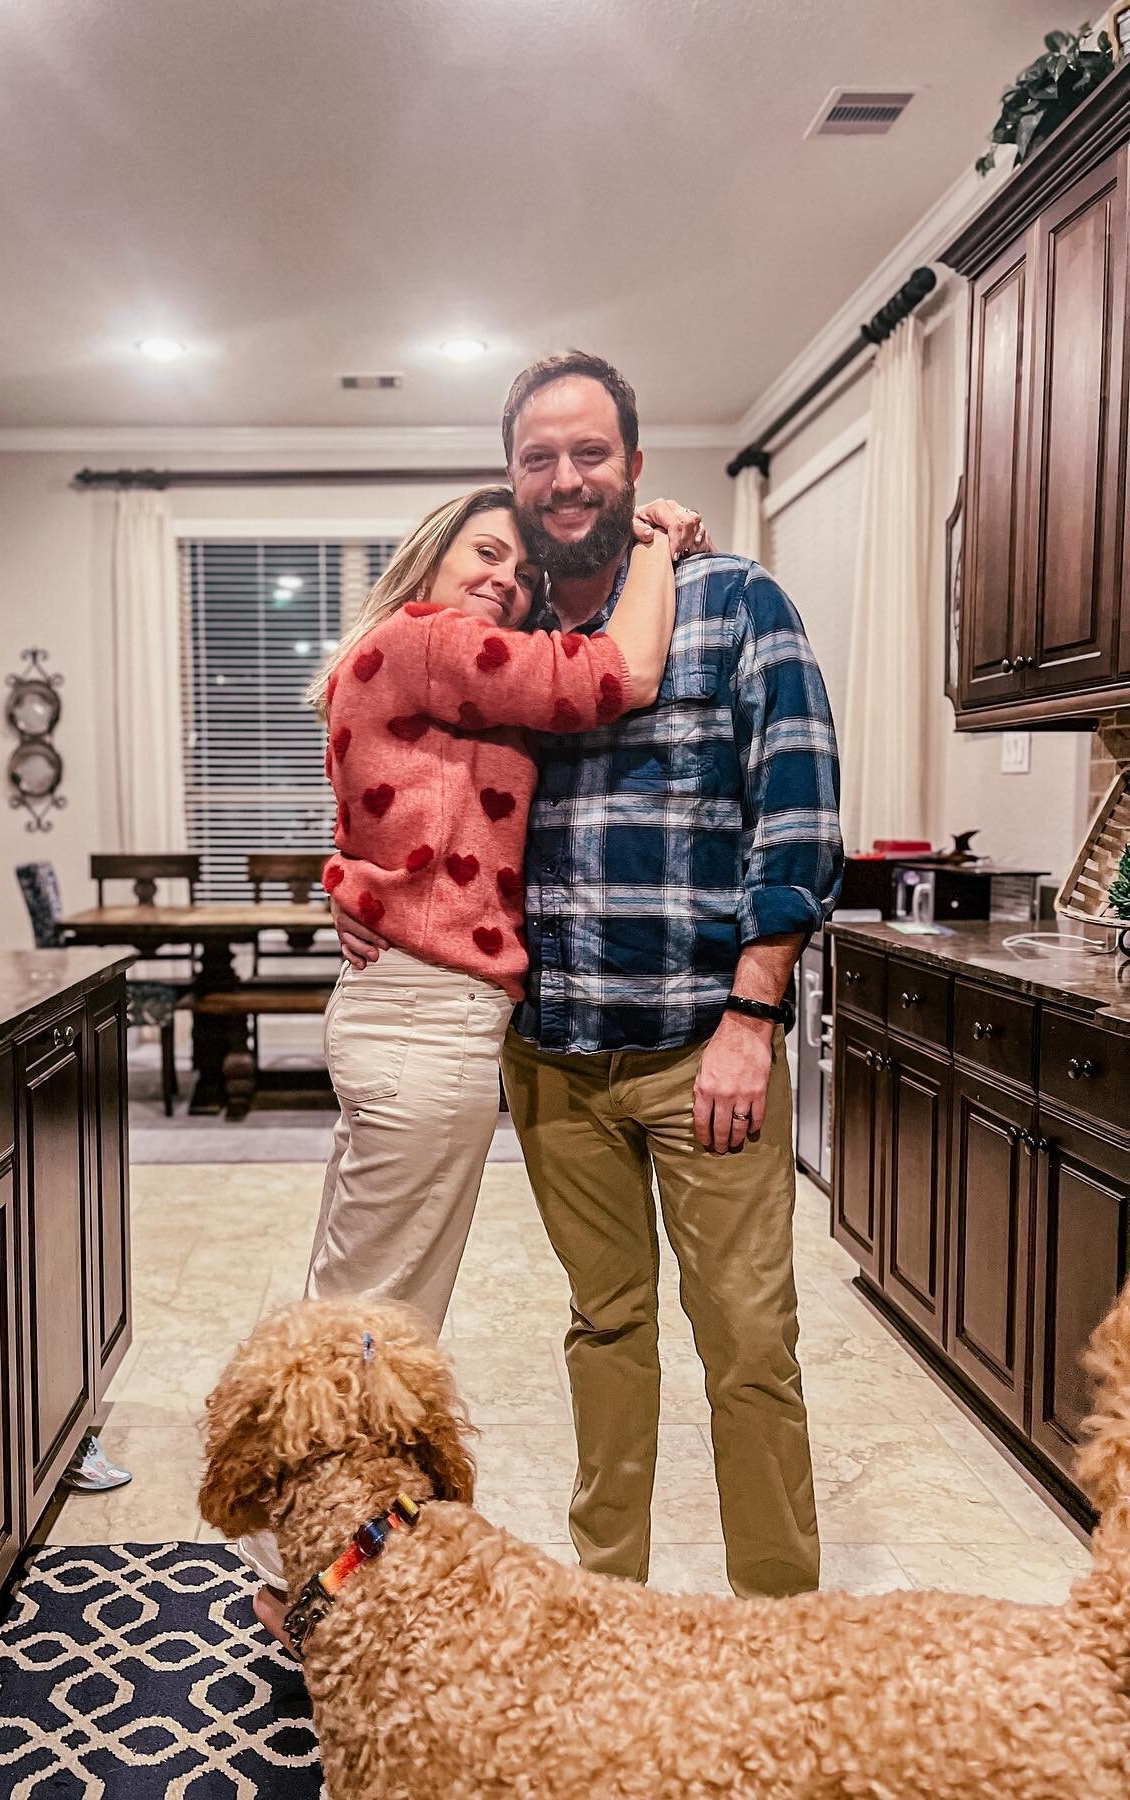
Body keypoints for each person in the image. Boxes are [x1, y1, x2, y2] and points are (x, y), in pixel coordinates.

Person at [339, 352, 843, 1601]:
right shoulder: (498, 637)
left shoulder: (735, 604)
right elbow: (414, 792)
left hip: (699, 1049)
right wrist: (354, 878)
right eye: (538, 459)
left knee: (747, 1345)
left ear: (632, 463)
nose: (565, 481)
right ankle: (603, 1601)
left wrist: (753, 1011)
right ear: (512, 474)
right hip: (553, 1055)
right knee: (606, 1330)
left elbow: (797, 817)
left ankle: (778, 1628)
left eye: (590, 454)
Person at [241, 482, 705, 1640]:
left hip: (409, 1007)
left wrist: (351, 885)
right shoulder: (434, 641)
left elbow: (389, 833)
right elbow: (616, 680)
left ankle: (296, 1560)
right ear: (428, 560)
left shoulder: (403, 661)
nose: (504, 576)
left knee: (357, 1292)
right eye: (483, 553)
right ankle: (317, 1577)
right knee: (380, 1317)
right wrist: (657, 542)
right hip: (426, 1016)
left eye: (519, 571)